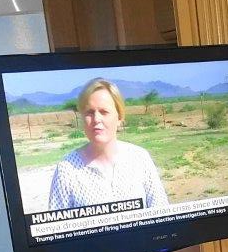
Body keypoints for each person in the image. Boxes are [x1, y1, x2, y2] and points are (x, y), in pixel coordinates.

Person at [48, 78, 169, 211]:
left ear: (119, 117)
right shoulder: (67, 170)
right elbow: (59, 222)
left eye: (104, 112)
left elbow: (161, 212)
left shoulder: (140, 158)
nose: (96, 119)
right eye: (89, 112)